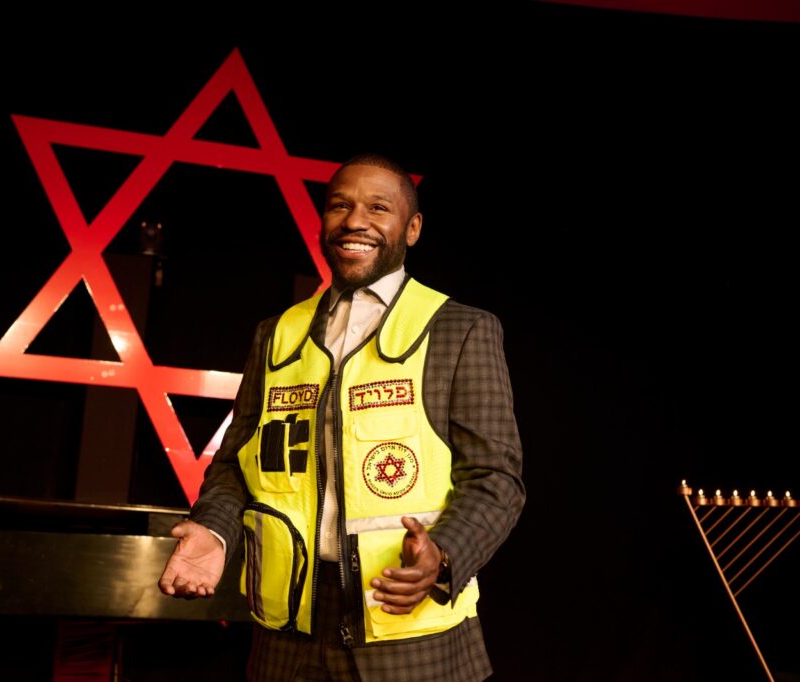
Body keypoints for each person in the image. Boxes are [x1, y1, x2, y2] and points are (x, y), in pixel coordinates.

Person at [158, 153, 525, 681]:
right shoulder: (276, 334)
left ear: (412, 228)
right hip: (288, 634)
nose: (355, 221)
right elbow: (237, 464)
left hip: (409, 631)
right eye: (339, 206)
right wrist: (214, 532)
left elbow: (496, 478)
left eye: (378, 207)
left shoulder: (461, 330)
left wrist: (442, 556)